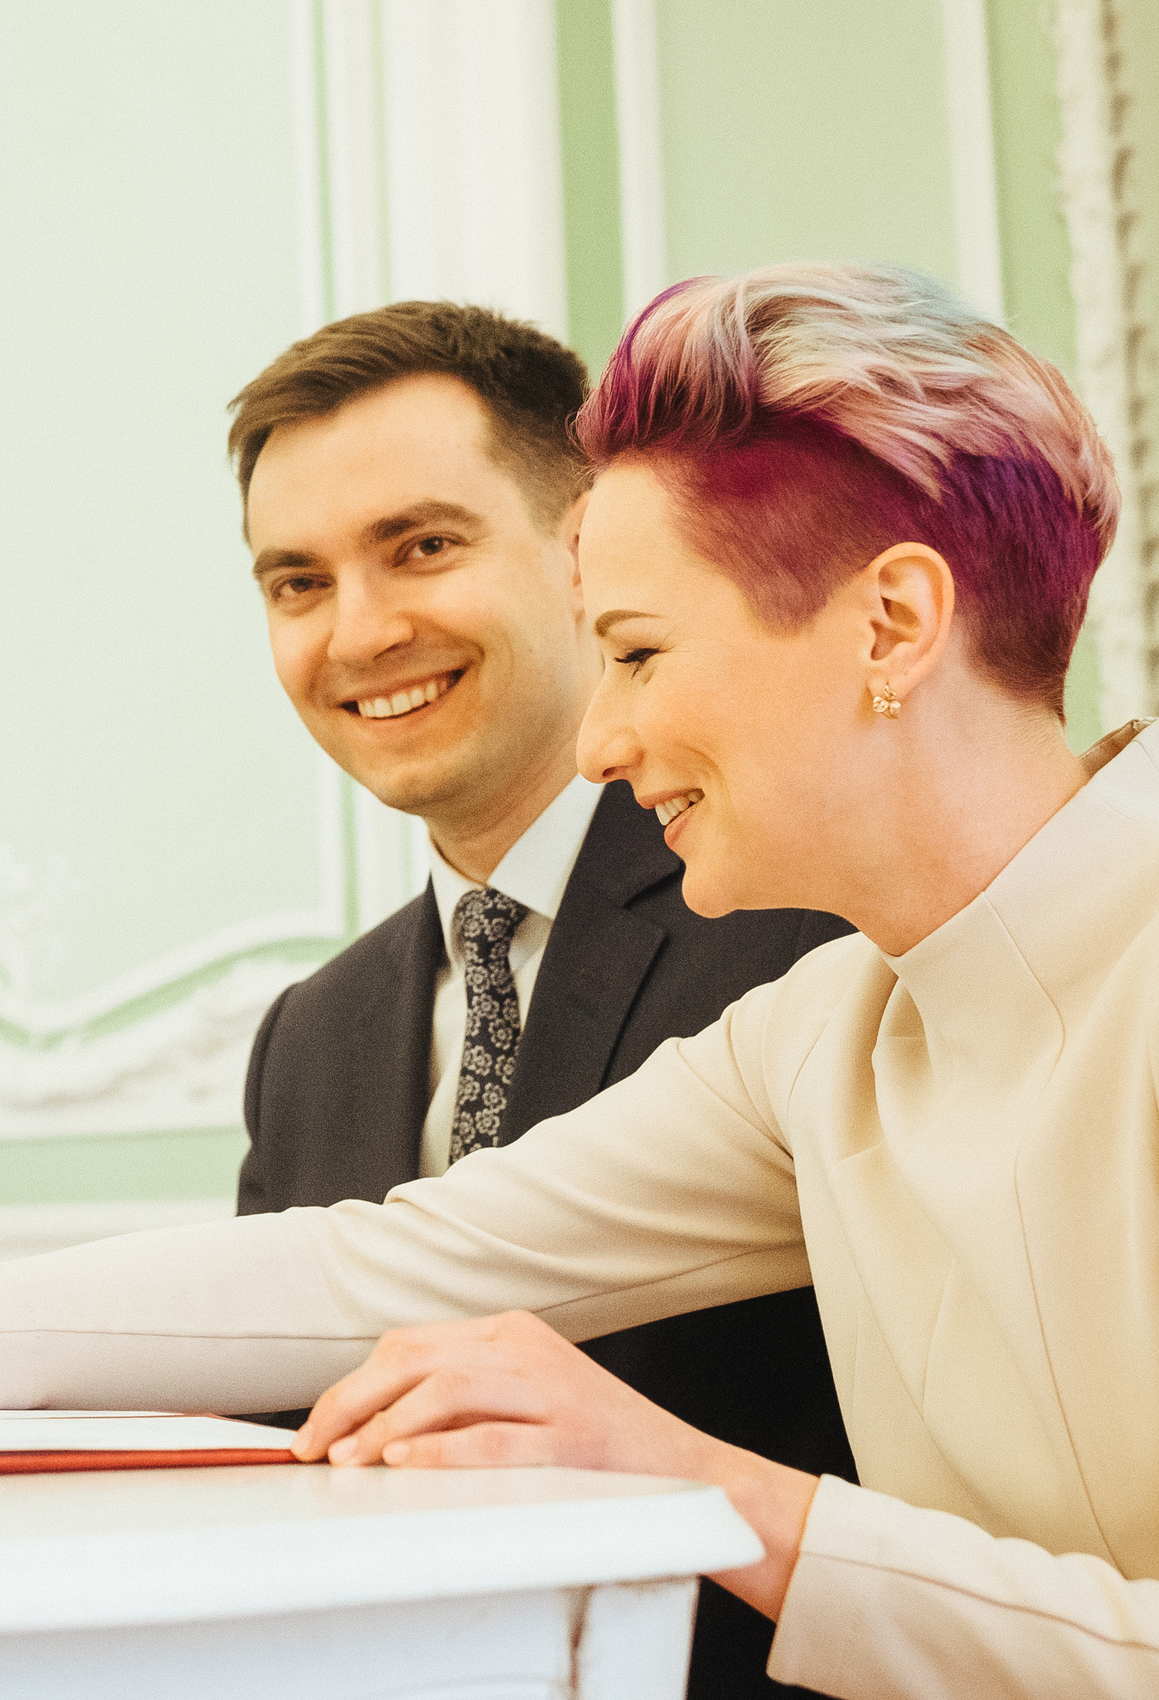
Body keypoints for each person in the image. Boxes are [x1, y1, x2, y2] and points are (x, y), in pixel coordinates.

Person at [0, 263, 1159, 1697]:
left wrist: (718, 1498)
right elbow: (381, 1264)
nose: (600, 742)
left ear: (893, 627)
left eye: (642, 654)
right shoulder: (827, 1037)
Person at [230, 304, 852, 1698]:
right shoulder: (311, 1038)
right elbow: (277, 1438)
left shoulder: (810, 928)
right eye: (296, 582)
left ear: (585, 552)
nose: (362, 631)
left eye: (422, 548)